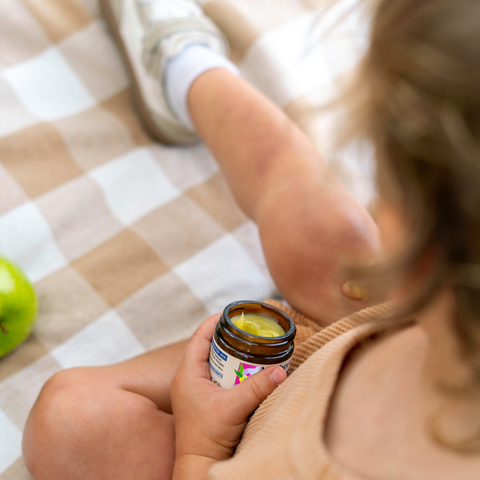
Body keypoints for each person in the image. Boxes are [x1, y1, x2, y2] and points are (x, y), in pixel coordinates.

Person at [22, 0, 480, 478]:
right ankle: (187, 70)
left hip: (242, 449)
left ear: (420, 258)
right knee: (329, 228)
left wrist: (202, 447)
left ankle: (185, 65)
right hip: (376, 329)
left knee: (71, 419)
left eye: (384, 189)